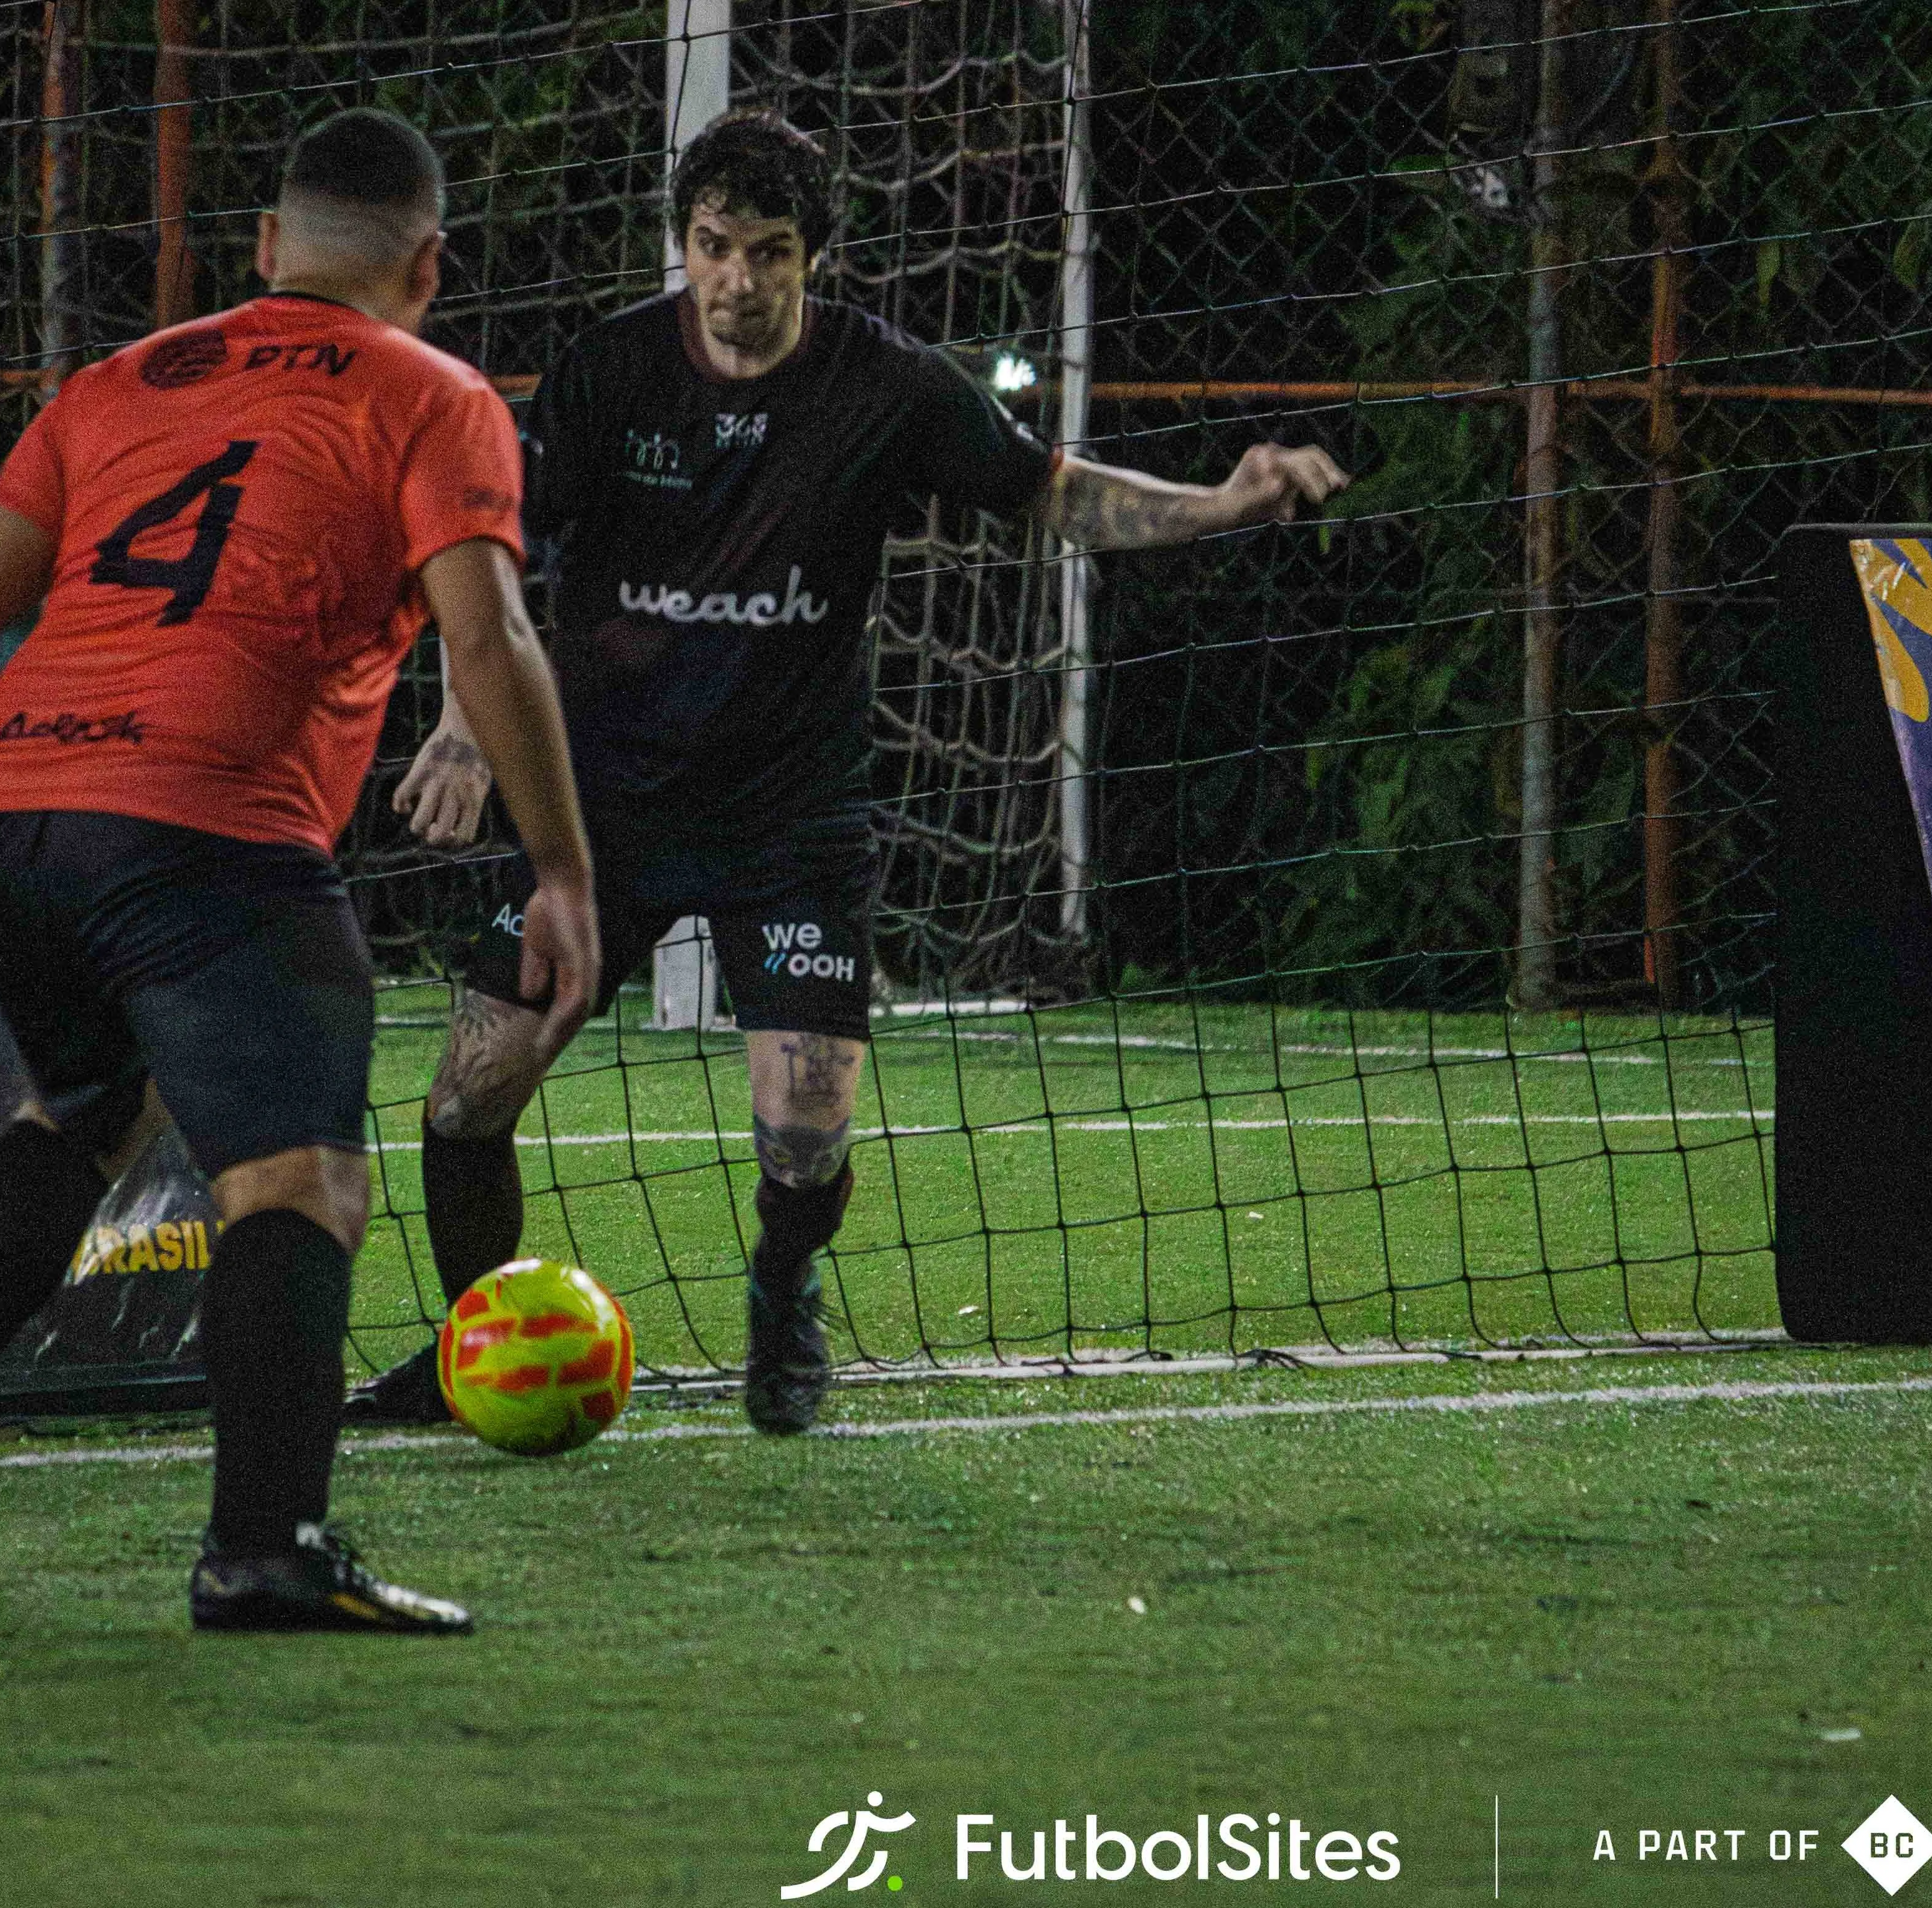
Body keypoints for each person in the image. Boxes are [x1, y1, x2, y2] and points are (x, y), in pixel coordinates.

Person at [354, 113, 1351, 1436]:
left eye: (769, 252)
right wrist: (470, 728)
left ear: (812, 257)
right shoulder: (604, 374)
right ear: (682, 246)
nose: (737, 281)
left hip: (789, 812)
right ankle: (475, 1344)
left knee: (804, 1134)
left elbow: (1047, 492)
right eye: (714, 247)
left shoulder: (885, 385)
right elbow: (495, 560)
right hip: (603, 811)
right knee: (469, 1086)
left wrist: (1220, 504)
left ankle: (782, 1283)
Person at [0, 108, 599, 1635]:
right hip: (203, 815)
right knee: (297, 1177)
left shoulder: (119, 381)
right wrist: (562, 865)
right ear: (428, 265)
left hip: (15, 809)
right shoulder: (435, 394)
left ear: (262, 250)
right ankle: (263, 1544)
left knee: (83, 1116)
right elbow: (488, 633)